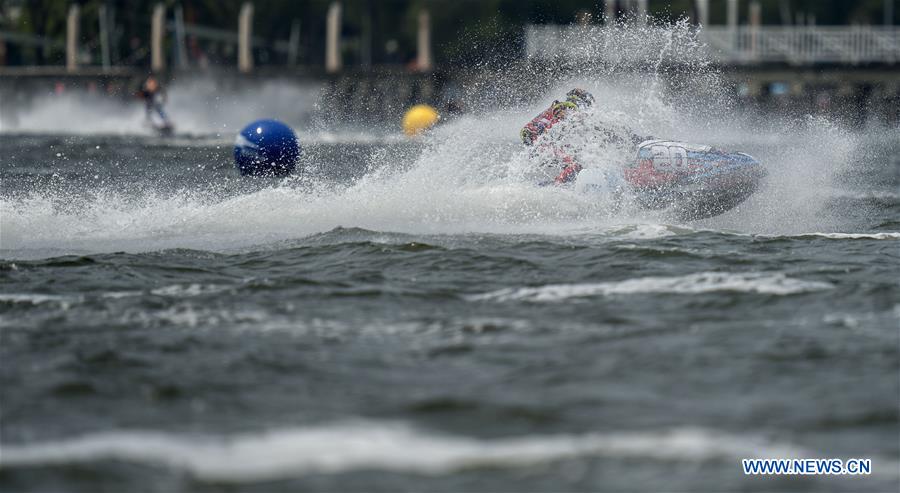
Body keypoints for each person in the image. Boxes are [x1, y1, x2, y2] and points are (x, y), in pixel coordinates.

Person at [520, 88, 649, 185]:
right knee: (578, 163)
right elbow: (565, 115)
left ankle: (565, 183)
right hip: (544, 146)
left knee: (583, 157)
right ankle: (558, 185)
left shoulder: (557, 109)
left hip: (539, 146)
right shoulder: (568, 108)